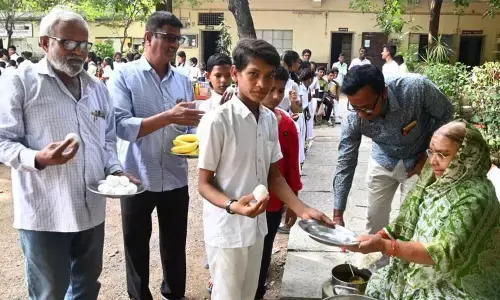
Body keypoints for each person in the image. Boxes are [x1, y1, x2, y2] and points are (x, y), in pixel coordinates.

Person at [0, 7, 131, 299]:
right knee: (50, 291)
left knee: (87, 286)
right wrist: (36, 158)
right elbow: (3, 140)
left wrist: (115, 171)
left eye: (84, 45)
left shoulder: (97, 88)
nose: (78, 52)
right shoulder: (21, 81)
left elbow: (107, 139)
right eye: (68, 43)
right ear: (45, 43)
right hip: (46, 212)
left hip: (91, 210)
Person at [197, 38, 332, 300]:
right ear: (236, 74)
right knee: (227, 295)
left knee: (249, 293)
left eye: (269, 76)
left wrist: (301, 208)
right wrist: (234, 206)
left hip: (257, 225)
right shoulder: (218, 121)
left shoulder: (270, 119)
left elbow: (274, 175)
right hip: (227, 228)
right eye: (253, 74)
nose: (262, 84)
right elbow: (204, 183)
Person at [346, 121, 500, 300]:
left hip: (458, 280)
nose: (433, 161)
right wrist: (378, 238)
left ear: (466, 157)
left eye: (443, 154)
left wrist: (384, 245)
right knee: (378, 283)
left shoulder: (474, 198)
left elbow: (444, 252)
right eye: (431, 151)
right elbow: (409, 218)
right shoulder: (439, 180)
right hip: (423, 265)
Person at [109, 11, 204, 300]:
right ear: (148, 37)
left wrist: (196, 133)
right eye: (169, 38)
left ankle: (174, 293)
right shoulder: (123, 76)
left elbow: (185, 125)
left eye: (179, 38)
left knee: (175, 244)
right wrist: (168, 116)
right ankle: (139, 296)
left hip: (175, 175)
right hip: (136, 175)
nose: (176, 44)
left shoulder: (183, 79)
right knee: (136, 244)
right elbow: (122, 127)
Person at [333, 64, 453, 233]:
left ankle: (404, 259)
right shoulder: (354, 117)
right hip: (382, 159)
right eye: (355, 108)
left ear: (384, 93)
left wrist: (429, 155)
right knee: (375, 219)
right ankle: (376, 259)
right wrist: (338, 214)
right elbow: (346, 161)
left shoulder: (416, 89)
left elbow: (446, 114)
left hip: (418, 159)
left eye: (367, 108)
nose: (361, 115)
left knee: (411, 220)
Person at [255, 66, 302, 299]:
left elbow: (292, 167)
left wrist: (293, 202)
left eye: (280, 90)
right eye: (271, 90)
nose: (275, 96)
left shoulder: (286, 125)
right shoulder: (244, 120)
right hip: (244, 201)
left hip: (273, 202)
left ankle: (259, 287)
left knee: (264, 248)